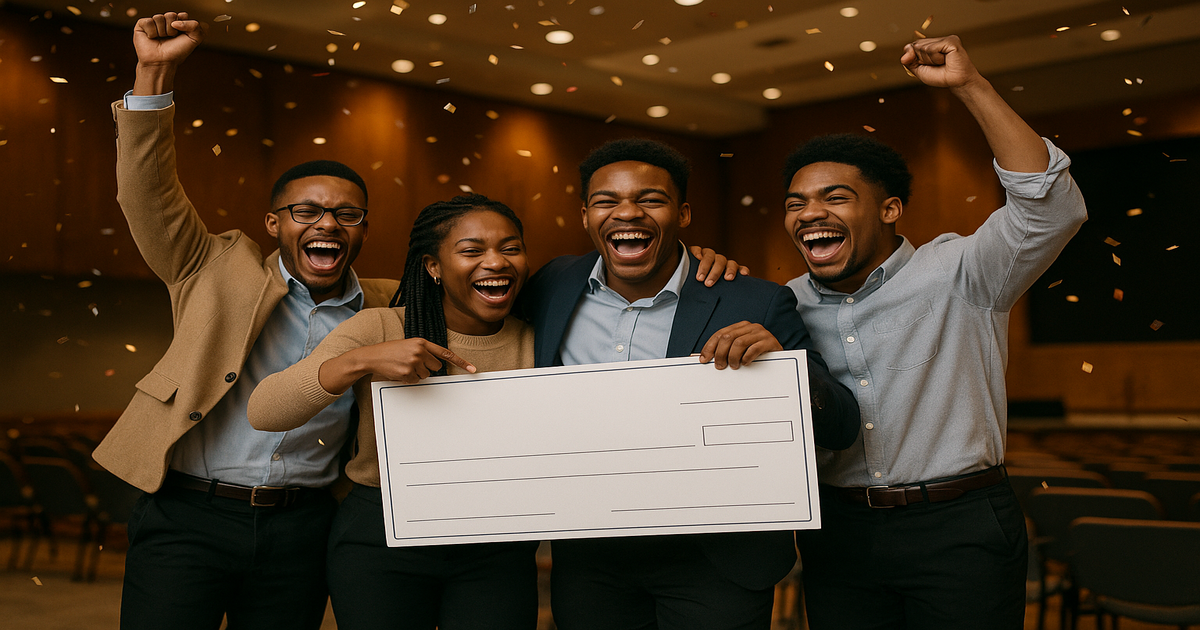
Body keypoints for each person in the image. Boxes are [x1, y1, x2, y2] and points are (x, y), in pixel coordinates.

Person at [91, 12, 401, 629]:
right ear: (274, 224)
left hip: (305, 527)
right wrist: (155, 70)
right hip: (188, 516)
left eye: (346, 214)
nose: (327, 225)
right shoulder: (210, 266)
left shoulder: (388, 306)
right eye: (305, 211)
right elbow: (146, 193)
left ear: (363, 228)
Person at [782, 36, 1088, 629]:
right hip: (838, 531)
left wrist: (971, 85)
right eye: (795, 203)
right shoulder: (784, 304)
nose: (809, 213)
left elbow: (1052, 208)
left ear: (890, 209)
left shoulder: (964, 271)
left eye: (834, 198)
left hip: (960, 528)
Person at [517, 137, 861, 630]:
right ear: (585, 216)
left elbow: (841, 427)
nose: (628, 213)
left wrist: (785, 368)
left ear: (682, 214)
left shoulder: (755, 301)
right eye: (607, 201)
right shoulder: (552, 285)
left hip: (718, 561)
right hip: (592, 563)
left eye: (651, 200)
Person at [248, 194, 540, 629]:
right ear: (433, 267)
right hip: (380, 536)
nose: (496, 262)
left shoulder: (541, 338)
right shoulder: (381, 327)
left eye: (510, 248)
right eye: (472, 250)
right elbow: (265, 410)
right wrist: (361, 361)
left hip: (496, 544)